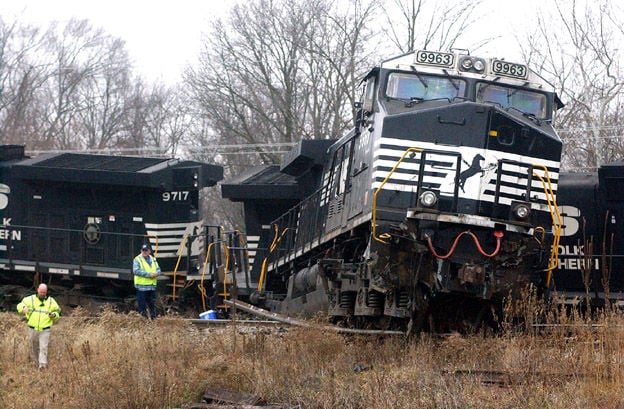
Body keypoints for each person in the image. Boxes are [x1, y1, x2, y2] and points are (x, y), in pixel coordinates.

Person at [17, 283, 61, 370]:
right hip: (32, 329)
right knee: (34, 348)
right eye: (41, 292)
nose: (42, 294)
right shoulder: (30, 299)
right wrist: (23, 308)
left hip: (45, 329)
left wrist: (54, 315)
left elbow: (58, 311)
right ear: (37, 290)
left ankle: (42, 366)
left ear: (46, 292)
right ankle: (37, 363)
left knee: (43, 347)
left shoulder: (51, 301)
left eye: (44, 292)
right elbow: (19, 305)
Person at [133, 243, 161, 319]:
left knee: (152, 304)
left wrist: (157, 273)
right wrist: (149, 275)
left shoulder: (153, 259)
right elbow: (136, 271)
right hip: (142, 287)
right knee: (141, 305)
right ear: (141, 250)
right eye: (143, 250)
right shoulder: (137, 259)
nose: (144, 252)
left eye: (146, 250)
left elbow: (158, 269)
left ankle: (153, 319)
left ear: (149, 251)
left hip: (151, 287)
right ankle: (143, 320)